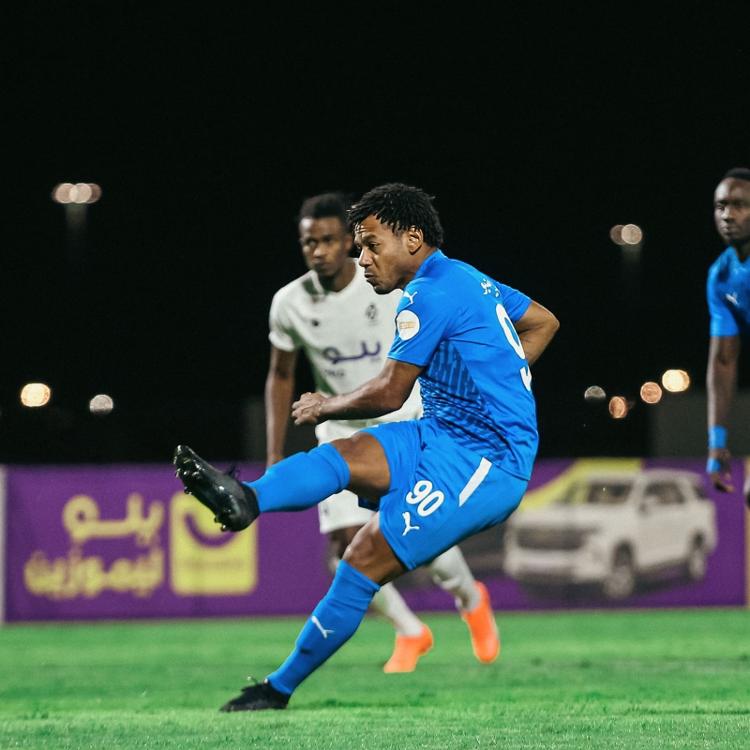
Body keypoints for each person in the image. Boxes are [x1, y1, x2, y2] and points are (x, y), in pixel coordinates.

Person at [174, 182, 559, 711]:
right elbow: (542, 321)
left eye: (371, 245)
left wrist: (324, 405)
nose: (364, 258)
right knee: (346, 456)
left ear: (413, 239)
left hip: (486, 463)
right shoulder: (464, 275)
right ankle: (248, 499)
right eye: (360, 247)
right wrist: (499, 379)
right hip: (440, 432)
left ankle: (277, 688)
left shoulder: (428, 293)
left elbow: (390, 391)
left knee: (362, 558)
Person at [265, 191, 499, 673]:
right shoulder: (288, 303)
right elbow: (281, 376)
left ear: (350, 242)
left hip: (403, 419)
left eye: (330, 240)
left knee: (417, 533)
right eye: (310, 242)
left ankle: (469, 597)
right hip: (340, 429)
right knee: (342, 548)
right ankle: (412, 632)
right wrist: (274, 455)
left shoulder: (390, 285)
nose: (319, 250)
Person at [705, 166, 750, 506]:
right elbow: (723, 362)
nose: (727, 215)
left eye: (739, 205)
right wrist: (717, 442)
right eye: (721, 206)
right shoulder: (721, 276)